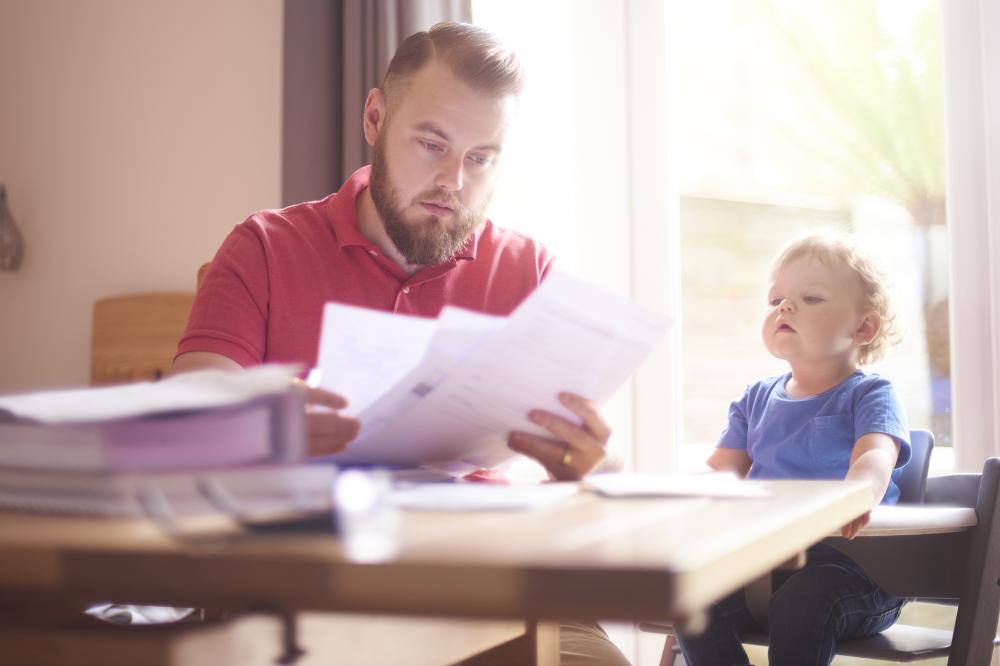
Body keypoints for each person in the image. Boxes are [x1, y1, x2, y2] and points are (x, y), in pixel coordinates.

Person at [171, 21, 629, 666]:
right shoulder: (265, 247)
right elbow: (182, 416)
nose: (453, 181)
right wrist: (258, 423)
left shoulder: (529, 272)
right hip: (308, 585)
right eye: (432, 144)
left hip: (492, 587)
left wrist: (588, 465)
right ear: (375, 117)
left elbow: (602, 469)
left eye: (480, 158)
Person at [676, 232, 912, 666]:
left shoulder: (870, 394)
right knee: (689, 596)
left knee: (805, 601)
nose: (785, 307)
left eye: (812, 298)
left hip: (858, 572)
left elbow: (875, 458)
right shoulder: (755, 398)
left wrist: (855, 493)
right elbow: (720, 476)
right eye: (776, 299)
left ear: (863, 327)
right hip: (767, 571)